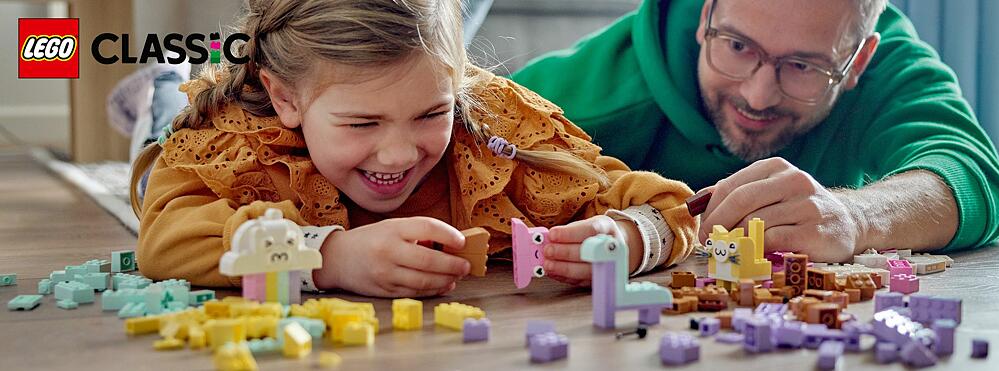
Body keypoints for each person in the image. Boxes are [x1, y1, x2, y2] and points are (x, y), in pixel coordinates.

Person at [128, 0, 697, 297]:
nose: (398, 154)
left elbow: (665, 208)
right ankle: (162, 86)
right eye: (361, 124)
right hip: (226, 112)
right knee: (167, 131)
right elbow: (166, 242)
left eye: (431, 113)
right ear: (286, 99)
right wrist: (329, 259)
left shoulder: (495, 134)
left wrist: (626, 236)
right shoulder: (235, 142)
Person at [512, 0, 999, 262]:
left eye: (802, 66)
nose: (758, 96)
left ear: (858, 59)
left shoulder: (887, 63)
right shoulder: (591, 97)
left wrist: (856, 216)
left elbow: (973, 175)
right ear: (707, 15)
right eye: (737, 46)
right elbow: (455, 137)